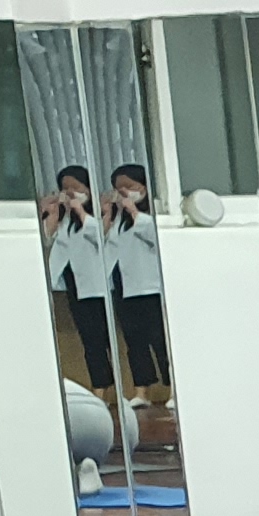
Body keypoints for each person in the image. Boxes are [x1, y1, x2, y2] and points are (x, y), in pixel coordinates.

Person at [39, 163, 114, 395]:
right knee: (90, 340)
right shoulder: (64, 220)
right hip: (74, 286)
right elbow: (46, 238)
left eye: (76, 188)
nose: (71, 193)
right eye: (66, 188)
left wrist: (81, 211)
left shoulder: (101, 214)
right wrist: (50, 212)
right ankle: (100, 390)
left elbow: (99, 235)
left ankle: (119, 386)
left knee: (107, 337)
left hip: (99, 286)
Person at [103, 164, 169, 402]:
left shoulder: (154, 214)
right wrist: (108, 216)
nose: (123, 193)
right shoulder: (120, 220)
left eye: (128, 187)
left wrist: (134, 212)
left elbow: (157, 239)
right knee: (135, 342)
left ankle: (173, 388)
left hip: (150, 287)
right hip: (125, 288)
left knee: (160, 341)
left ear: (144, 187)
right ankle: (142, 390)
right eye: (118, 189)